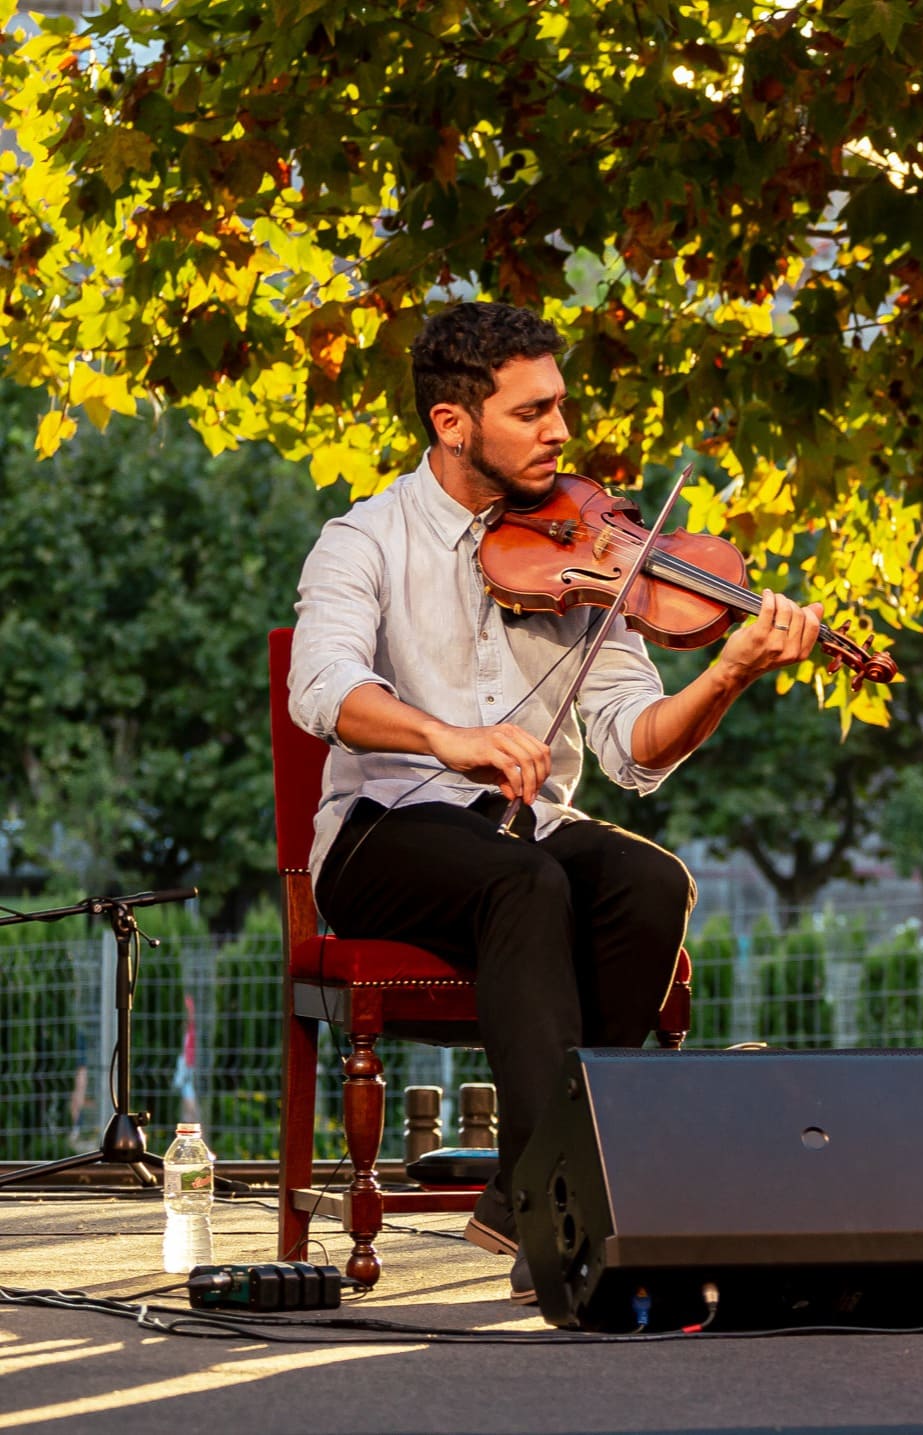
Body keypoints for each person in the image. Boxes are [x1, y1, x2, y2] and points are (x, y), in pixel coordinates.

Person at [288, 301, 824, 1299]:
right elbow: (320, 687)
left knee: (646, 879)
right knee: (528, 883)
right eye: (533, 412)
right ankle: (562, 1215)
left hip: (522, 832)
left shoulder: (590, 551)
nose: (561, 432)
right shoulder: (362, 539)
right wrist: (444, 735)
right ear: (453, 424)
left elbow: (633, 749)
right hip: (385, 835)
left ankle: (530, 1183)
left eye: (561, 407)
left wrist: (729, 673)